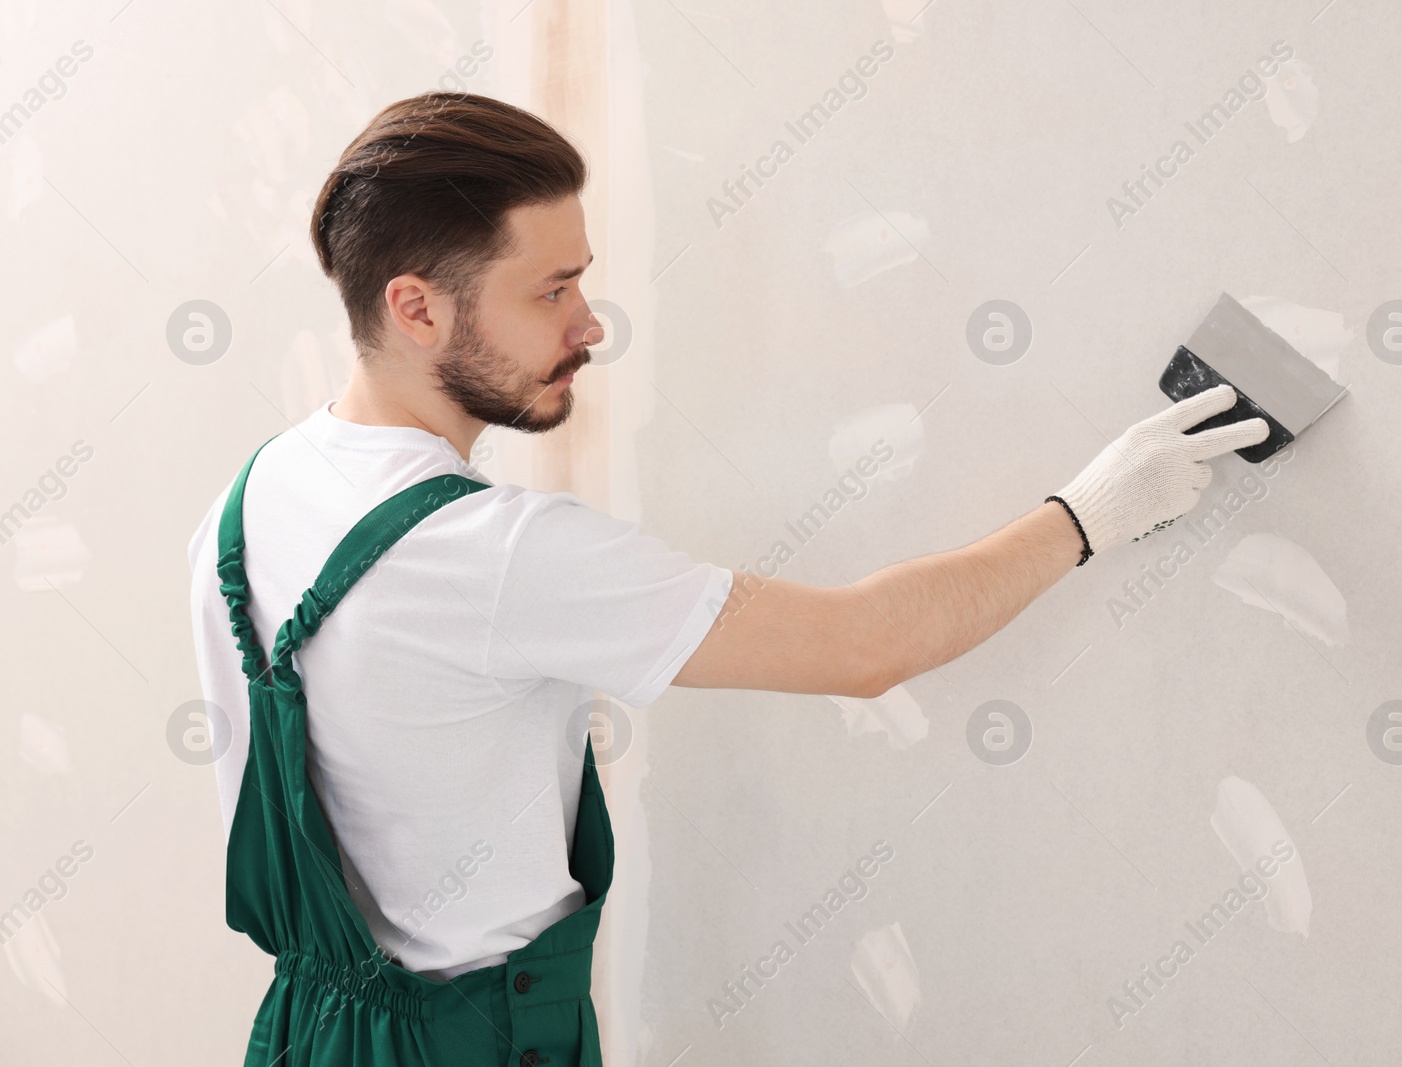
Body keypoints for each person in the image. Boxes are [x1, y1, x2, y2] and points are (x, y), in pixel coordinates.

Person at [186, 91, 1266, 1065]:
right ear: (416, 308)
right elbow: (863, 644)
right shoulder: (496, 555)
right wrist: (1089, 512)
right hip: (480, 1040)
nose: (589, 325)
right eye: (551, 289)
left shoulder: (254, 497)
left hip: (307, 1032)